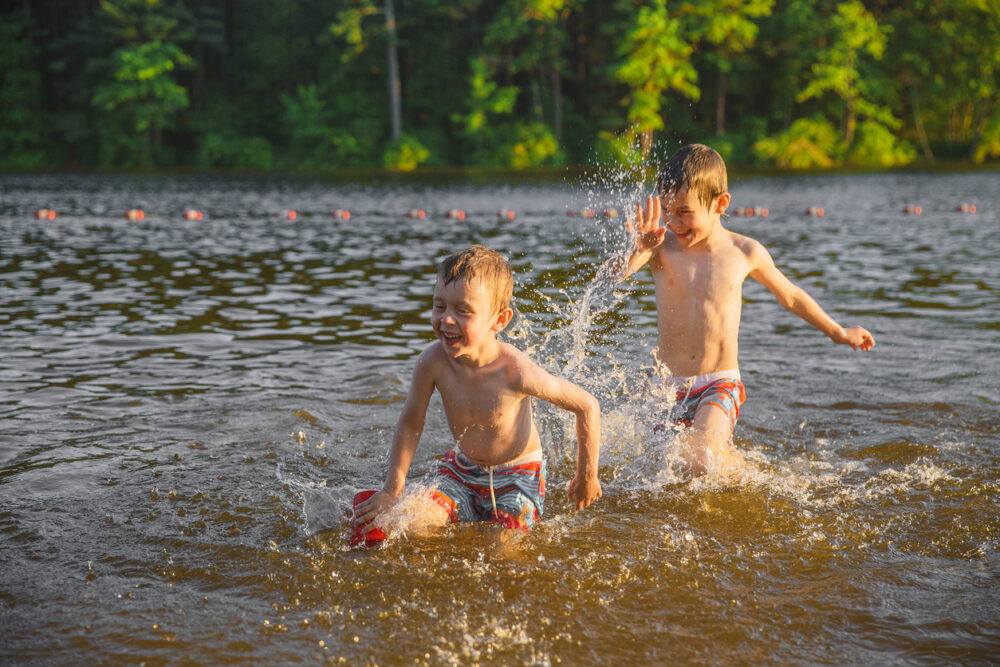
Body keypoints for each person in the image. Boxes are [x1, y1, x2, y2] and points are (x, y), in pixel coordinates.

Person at [615, 144, 874, 475]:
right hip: (667, 387)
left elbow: (790, 296)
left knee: (701, 461)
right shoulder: (660, 248)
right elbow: (614, 275)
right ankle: (738, 467)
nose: (673, 222)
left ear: (720, 204)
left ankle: (738, 474)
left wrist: (838, 332)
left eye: (684, 212)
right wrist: (635, 248)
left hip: (718, 383)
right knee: (658, 469)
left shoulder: (743, 251)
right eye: (667, 211)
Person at [351, 245, 602, 535]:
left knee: (504, 551)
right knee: (412, 527)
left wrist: (587, 477)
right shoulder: (432, 363)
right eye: (439, 305)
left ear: (499, 320)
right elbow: (411, 422)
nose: (446, 319)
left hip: (518, 476)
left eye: (463, 311)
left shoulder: (515, 371)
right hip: (461, 471)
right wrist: (393, 489)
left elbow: (587, 406)